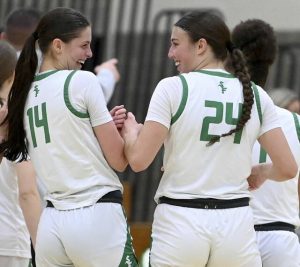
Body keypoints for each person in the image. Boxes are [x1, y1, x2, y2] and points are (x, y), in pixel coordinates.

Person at [121, 11, 297, 267]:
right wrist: (260, 172)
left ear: (201, 45)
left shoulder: (172, 87)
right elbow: (288, 168)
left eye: (175, 44)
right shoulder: (257, 95)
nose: (170, 53)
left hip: (181, 222)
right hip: (235, 225)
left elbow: (138, 161)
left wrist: (130, 134)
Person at [0, 7, 137, 267]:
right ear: (58, 46)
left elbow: (67, 133)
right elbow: (119, 160)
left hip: (51, 223)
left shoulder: (23, 93)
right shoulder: (83, 81)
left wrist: (98, 126)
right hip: (96, 215)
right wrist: (131, 133)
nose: (90, 53)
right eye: (84, 45)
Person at [231, 19, 300, 266]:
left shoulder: (222, 116)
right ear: (271, 60)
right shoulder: (294, 122)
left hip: (232, 236)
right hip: (281, 238)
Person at [0, 7, 120, 103]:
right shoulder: (45, 65)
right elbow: (90, 99)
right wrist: (107, 73)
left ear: (2, 38)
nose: (89, 53)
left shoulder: (6, 62)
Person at [0, 40, 41, 267]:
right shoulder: (15, 121)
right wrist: (43, 249)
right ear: (11, 77)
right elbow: (27, 193)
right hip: (8, 240)